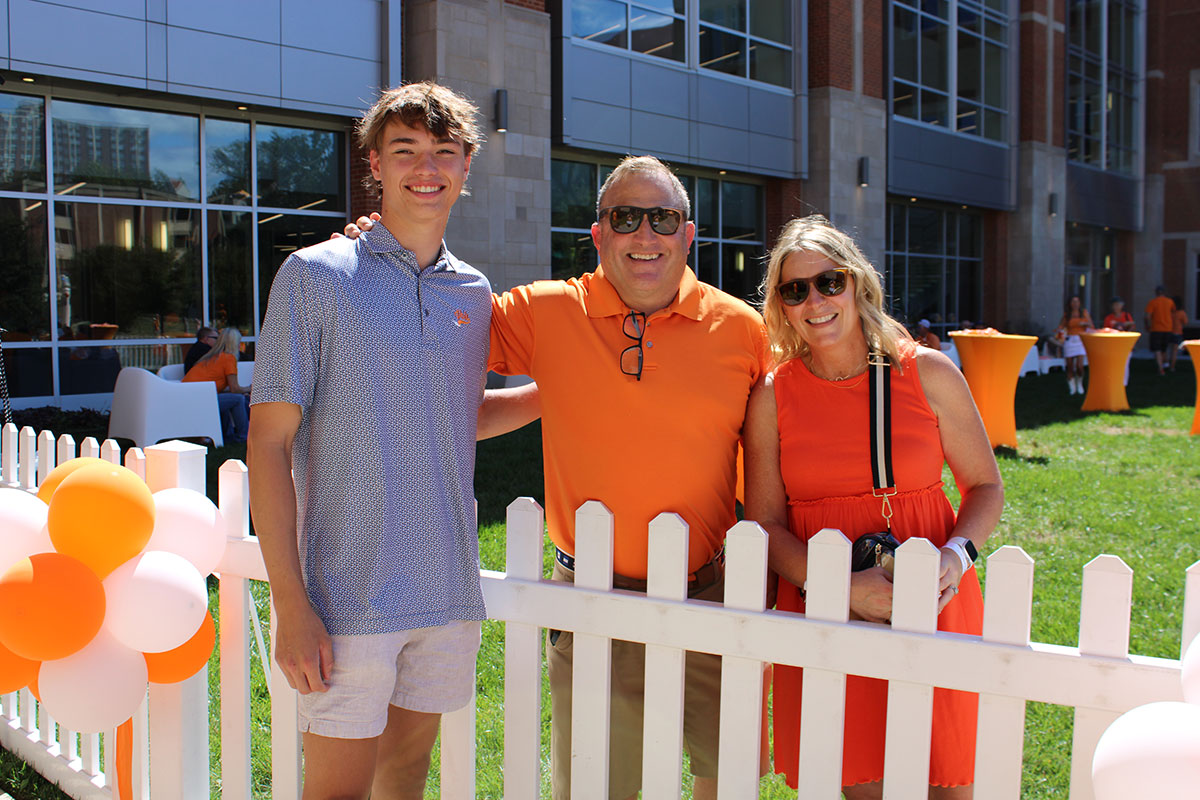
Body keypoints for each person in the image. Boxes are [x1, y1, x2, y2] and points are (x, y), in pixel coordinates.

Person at [348, 154, 768, 800]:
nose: (645, 235)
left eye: (663, 218)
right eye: (625, 217)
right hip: (591, 596)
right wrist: (382, 259)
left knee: (725, 777)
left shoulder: (743, 330)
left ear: (689, 234)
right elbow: (429, 326)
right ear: (598, 235)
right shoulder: (547, 312)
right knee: (597, 788)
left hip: (710, 592)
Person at [247, 81, 498, 800]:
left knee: (404, 783)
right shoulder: (315, 276)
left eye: (444, 152)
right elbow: (267, 443)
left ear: (467, 166)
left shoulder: (474, 293)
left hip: (446, 592)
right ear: (375, 165)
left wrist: (555, 396)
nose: (427, 167)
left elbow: (452, 414)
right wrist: (290, 604)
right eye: (406, 150)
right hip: (345, 596)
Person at [745, 215, 1003, 799]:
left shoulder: (927, 372)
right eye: (795, 289)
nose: (815, 299)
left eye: (829, 281)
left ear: (857, 283)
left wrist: (957, 557)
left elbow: (985, 486)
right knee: (862, 782)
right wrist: (838, 587)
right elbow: (763, 524)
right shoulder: (772, 396)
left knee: (949, 780)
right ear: (781, 305)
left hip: (933, 602)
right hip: (825, 610)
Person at [183, 327, 251, 444]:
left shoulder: (211, 357)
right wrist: (250, 388)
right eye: (239, 341)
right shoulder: (229, 358)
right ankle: (242, 436)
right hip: (199, 401)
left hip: (187, 399)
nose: (241, 344)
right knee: (238, 399)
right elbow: (235, 389)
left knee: (231, 399)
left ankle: (228, 435)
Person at [1055, 296, 1093, 395]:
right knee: (1070, 365)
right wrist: (1059, 333)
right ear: (1070, 303)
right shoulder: (1067, 315)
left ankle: (1079, 383)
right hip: (1070, 340)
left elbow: (1091, 325)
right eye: (1073, 301)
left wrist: (1084, 323)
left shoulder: (1084, 313)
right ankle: (1072, 387)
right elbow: (1061, 327)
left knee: (1080, 366)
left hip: (1080, 340)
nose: (1075, 304)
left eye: (1077, 301)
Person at [1103, 297, 1136, 386]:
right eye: (1115, 305)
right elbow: (1105, 330)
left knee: (1125, 364)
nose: (1116, 307)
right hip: (1113, 343)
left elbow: (1133, 326)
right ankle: (1114, 381)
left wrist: (1126, 326)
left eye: (1118, 305)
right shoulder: (1109, 318)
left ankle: (1123, 383)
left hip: (1125, 343)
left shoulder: (1126, 316)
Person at [1144, 286, 1176, 376]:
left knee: (1157, 349)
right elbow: (1173, 314)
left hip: (1156, 329)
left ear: (1156, 293)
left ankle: (1161, 369)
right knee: (1164, 349)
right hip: (1168, 328)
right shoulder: (1170, 302)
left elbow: (1147, 316)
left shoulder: (1153, 302)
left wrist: (1147, 326)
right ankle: (1166, 364)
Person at [1168, 295, 1188, 372]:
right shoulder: (1181, 313)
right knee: (1174, 351)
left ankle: (1166, 364)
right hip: (1177, 332)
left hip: (1169, 332)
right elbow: (1185, 322)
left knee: (1168, 350)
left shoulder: (1170, 313)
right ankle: (1172, 367)